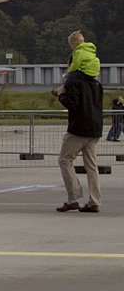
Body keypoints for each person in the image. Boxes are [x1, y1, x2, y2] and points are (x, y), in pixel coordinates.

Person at [54, 33, 103, 213]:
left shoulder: (74, 81)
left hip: (78, 128)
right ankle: (94, 200)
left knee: (65, 160)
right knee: (92, 165)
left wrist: (61, 94)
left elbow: (72, 104)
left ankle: (73, 197)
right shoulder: (96, 83)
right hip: (95, 128)